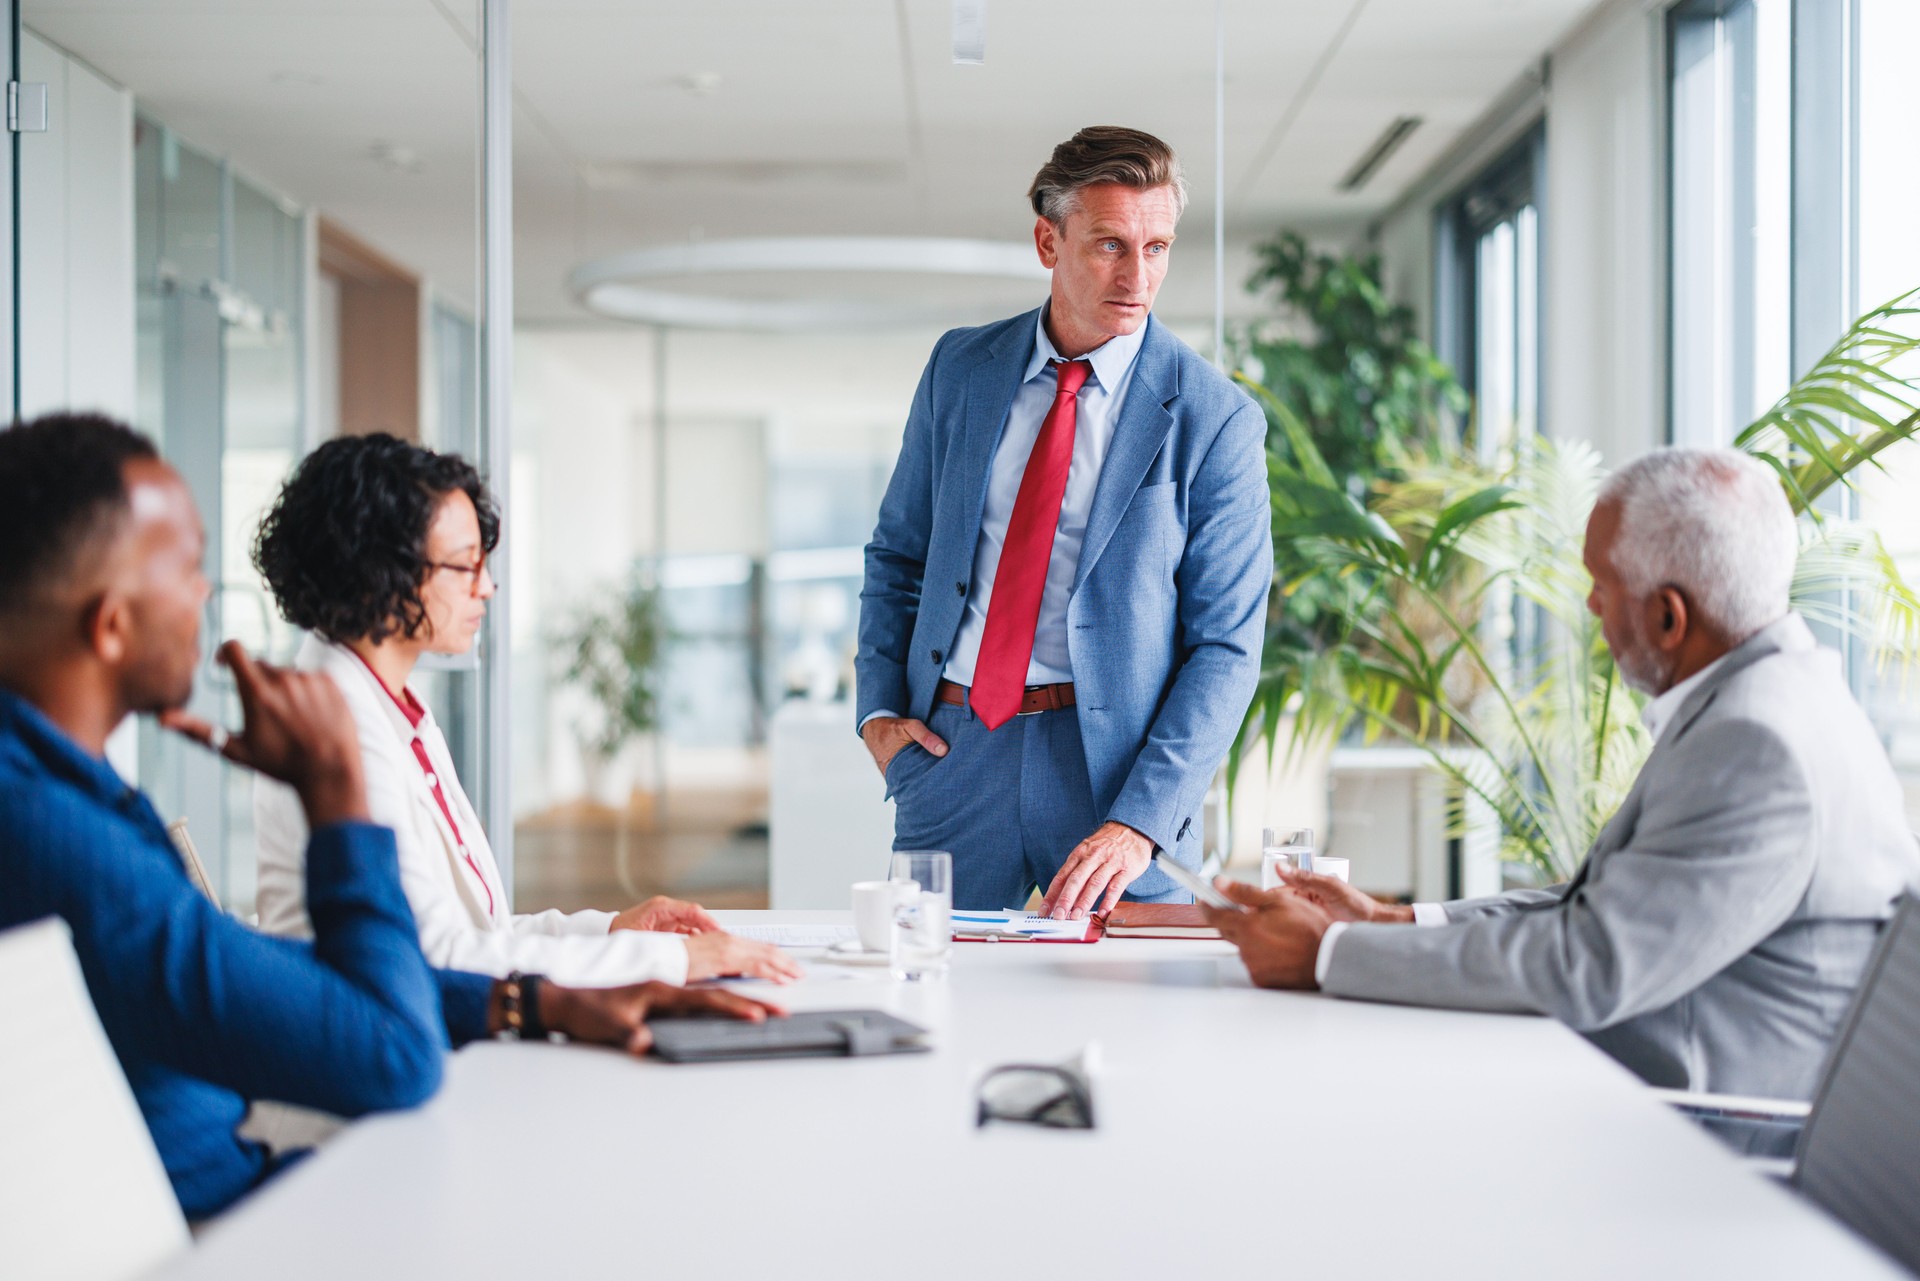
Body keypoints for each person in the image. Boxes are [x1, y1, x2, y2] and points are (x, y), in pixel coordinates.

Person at [0, 414, 780, 1219]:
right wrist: (334, 793)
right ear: (112, 623)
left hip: (262, 1179)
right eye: (187, 568)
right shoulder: (53, 832)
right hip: (231, 1221)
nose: (205, 593)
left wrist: (543, 998)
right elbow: (391, 1050)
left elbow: (286, 975)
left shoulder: (80, 799)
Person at [1204, 446, 1920, 1101]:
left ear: (1670, 617)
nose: (1591, 606)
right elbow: (1597, 909)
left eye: (1602, 585)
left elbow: (1589, 961)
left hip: (1697, 1135)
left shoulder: (1757, 744)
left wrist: (1327, 954)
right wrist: (1393, 922)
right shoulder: (1770, 700)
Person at [857, 126, 1272, 914]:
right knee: (933, 1002)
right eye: (1111, 245)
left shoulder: (1217, 419)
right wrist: (881, 714)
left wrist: (1140, 822)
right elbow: (898, 555)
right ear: (1049, 241)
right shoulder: (960, 368)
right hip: (953, 748)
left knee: (1137, 1019)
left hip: (1117, 778)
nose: (1138, 275)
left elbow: (1227, 645)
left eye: (1158, 247)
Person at [250, 433, 801, 986]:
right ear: (380, 572)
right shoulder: (334, 722)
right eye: (466, 566)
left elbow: (477, 933)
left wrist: (609, 931)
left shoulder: (390, 707)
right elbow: (441, 956)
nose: (486, 588)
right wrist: (674, 962)